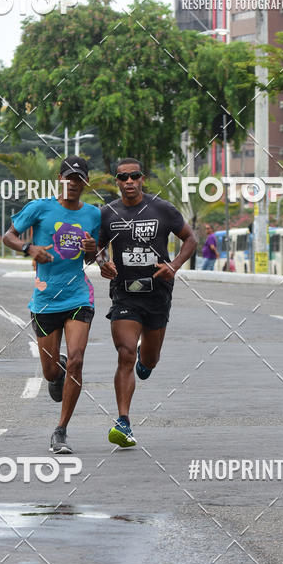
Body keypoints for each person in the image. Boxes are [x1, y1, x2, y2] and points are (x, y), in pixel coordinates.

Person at [3, 156, 100, 454]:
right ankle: (54, 369)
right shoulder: (40, 208)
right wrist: (28, 248)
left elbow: (90, 258)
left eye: (79, 179)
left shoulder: (94, 215)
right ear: (60, 179)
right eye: (69, 178)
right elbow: (8, 236)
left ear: (85, 183)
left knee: (77, 360)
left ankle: (61, 431)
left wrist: (92, 250)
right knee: (50, 373)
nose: (73, 183)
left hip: (78, 297)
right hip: (45, 300)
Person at [97, 158, 197, 447]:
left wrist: (175, 264)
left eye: (134, 176)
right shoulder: (108, 213)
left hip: (157, 294)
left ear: (143, 179)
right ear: (116, 181)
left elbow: (190, 238)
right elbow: (99, 249)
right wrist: (103, 264)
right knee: (125, 353)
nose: (129, 182)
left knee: (148, 360)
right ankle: (123, 422)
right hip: (125, 293)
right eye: (122, 177)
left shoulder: (162, 208)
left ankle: (146, 357)